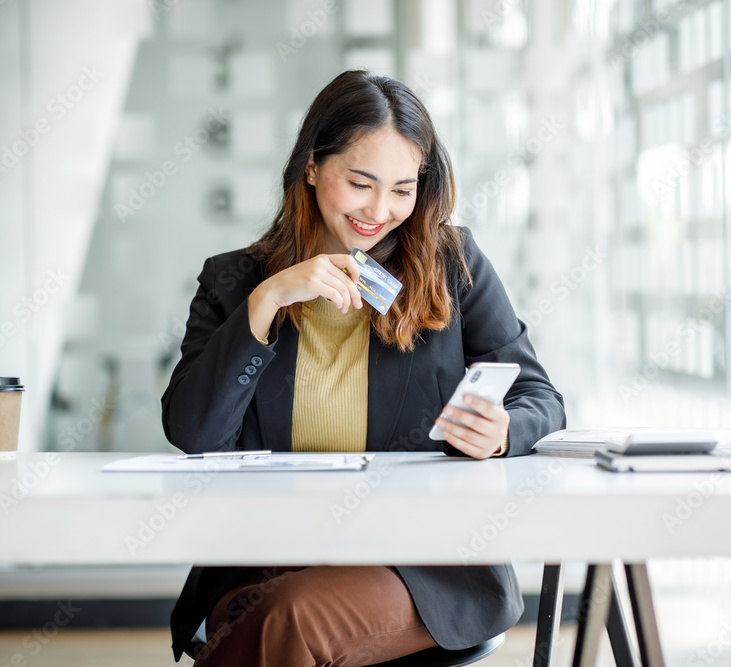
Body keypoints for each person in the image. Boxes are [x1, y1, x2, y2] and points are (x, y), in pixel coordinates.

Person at [163, 69, 566, 667]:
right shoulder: (236, 282)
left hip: (417, 562)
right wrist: (267, 302)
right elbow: (193, 432)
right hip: (273, 550)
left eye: (403, 190)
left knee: (286, 619)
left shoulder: (451, 264)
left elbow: (541, 397)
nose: (381, 210)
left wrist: (504, 431)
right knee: (269, 615)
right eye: (361, 183)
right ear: (310, 166)